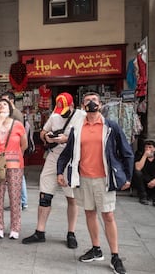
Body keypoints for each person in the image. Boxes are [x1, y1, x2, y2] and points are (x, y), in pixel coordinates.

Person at [57, 92, 133, 274]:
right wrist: (60, 171)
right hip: (83, 178)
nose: (91, 103)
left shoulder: (110, 126)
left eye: (94, 101)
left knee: (108, 216)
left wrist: (128, 177)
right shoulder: (77, 128)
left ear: (100, 104)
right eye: (87, 101)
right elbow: (67, 152)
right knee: (89, 213)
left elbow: (126, 151)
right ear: (83, 106)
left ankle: (115, 256)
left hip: (104, 179)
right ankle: (96, 248)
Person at [22, 92, 85, 248]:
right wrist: (47, 137)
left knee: (72, 197)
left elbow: (87, 138)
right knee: (44, 195)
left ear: (72, 106)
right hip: (54, 157)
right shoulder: (55, 116)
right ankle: (40, 231)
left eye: (64, 110)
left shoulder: (82, 116)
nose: (61, 114)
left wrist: (67, 139)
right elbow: (43, 132)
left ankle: (71, 233)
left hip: (71, 159)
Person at [0, 99, 27, 239]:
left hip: (15, 164)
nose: (1, 106)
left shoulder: (18, 125)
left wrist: (14, 155)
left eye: (4, 104)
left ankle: (15, 228)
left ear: (10, 109)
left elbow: (24, 145)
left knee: (15, 197)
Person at [0, 91, 28, 209]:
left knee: (18, 177)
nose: (2, 105)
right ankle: (22, 201)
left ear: (11, 101)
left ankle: (21, 201)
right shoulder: (14, 113)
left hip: (14, 151)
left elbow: (20, 136)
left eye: (5, 102)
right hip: (11, 152)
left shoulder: (15, 114)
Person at [133, 139, 155, 206]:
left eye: (150, 147)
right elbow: (138, 168)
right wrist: (145, 156)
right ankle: (143, 196)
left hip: (153, 180)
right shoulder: (139, 156)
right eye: (146, 147)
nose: (148, 149)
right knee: (137, 173)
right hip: (144, 181)